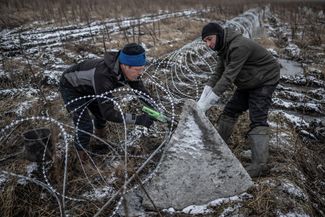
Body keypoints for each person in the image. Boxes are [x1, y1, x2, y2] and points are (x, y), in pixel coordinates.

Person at [197, 23, 280, 177]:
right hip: (248, 80)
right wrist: (201, 102)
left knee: (257, 118)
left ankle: (259, 165)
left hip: (265, 79)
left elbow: (228, 77)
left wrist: (207, 105)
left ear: (218, 34)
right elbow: (217, 74)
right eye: (205, 42)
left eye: (210, 39)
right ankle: (219, 146)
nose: (208, 44)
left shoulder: (238, 46)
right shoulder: (223, 47)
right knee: (230, 110)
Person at [59, 43, 154, 160]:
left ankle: (100, 142)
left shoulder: (129, 71)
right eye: (138, 69)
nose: (141, 73)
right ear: (125, 66)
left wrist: (154, 109)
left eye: (142, 68)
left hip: (90, 86)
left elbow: (141, 92)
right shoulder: (103, 75)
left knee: (100, 115)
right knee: (85, 126)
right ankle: (81, 160)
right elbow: (109, 113)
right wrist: (138, 119)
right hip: (71, 86)